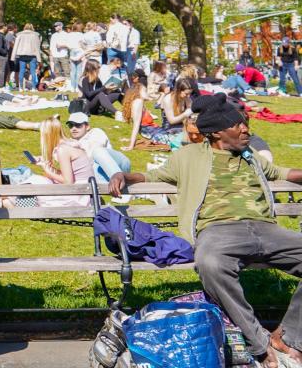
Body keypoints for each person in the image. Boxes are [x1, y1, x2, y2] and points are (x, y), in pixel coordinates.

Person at [109, 95, 302, 368]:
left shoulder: (250, 156)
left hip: (264, 229)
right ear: (216, 133)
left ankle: (287, 338)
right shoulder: (189, 156)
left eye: (245, 124)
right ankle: (259, 343)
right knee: (210, 263)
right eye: (238, 126)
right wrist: (123, 176)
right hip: (218, 230)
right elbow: (153, 176)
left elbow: (282, 172)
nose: (246, 130)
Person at [29, 116, 93, 207]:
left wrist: (48, 171)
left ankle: (11, 203)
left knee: (36, 183)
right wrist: (49, 168)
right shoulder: (68, 144)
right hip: (85, 191)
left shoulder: (62, 149)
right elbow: (72, 175)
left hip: (80, 195)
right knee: (37, 181)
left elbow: (68, 182)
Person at [65, 111, 130, 184]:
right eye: (71, 125)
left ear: (87, 126)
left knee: (97, 152)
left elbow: (95, 151)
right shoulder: (71, 143)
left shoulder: (96, 132)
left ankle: (120, 181)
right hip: (100, 173)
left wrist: (78, 146)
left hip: (119, 165)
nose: (74, 128)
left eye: (78, 125)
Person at [123, 75, 160, 150]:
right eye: (145, 91)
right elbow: (136, 126)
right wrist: (131, 146)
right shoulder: (138, 102)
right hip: (149, 132)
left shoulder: (138, 101)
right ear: (138, 92)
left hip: (152, 129)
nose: (147, 93)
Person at [10, 23, 41, 91]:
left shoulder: (19, 35)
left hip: (22, 55)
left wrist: (13, 57)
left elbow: (15, 46)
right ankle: (33, 88)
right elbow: (37, 47)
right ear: (32, 28)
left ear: (24, 27)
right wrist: (39, 59)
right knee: (33, 72)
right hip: (32, 55)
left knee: (21, 71)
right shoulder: (35, 35)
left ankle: (20, 88)